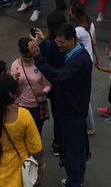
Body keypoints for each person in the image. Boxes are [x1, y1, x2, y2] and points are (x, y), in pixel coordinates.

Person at [29, 22, 93, 187]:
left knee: (73, 150)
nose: (58, 45)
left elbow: (58, 76)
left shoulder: (79, 61)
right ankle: (76, 179)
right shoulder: (76, 53)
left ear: (72, 40)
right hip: (76, 108)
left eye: (61, 42)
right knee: (76, 147)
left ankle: (75, 182)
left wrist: (38, 57)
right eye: (57, 41)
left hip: (72, 111)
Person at [0, 76, 43, 187]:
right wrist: (40, 165)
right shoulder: (24, 116)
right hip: (16, 172)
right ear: (13, 95)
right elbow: (35, 147)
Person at [12, 37, 51, 134]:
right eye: (26, 57)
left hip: (38, 106)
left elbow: (48, 84)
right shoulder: (15, 65)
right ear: (20, 52)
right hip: (21, 106)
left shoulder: (41, 64)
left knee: (36, 132)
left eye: (30, 56)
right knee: (22, 132)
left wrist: (43, 92)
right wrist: (14, 80)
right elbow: (12, 88)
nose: (28, 59)